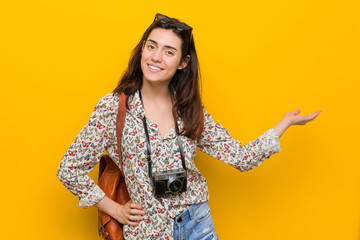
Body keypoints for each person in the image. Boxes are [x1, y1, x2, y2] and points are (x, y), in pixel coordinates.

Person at [57, 13, 321, 240]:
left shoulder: (190, 110)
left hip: (197, 224)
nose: (157, 57)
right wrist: (114, 209)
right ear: (142, 50)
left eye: (169, 51)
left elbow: (240, 158)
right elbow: (69, 169)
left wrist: (283, 124)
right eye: (152, 46)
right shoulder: (113, 108)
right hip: (146, 231)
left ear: (183, 62)